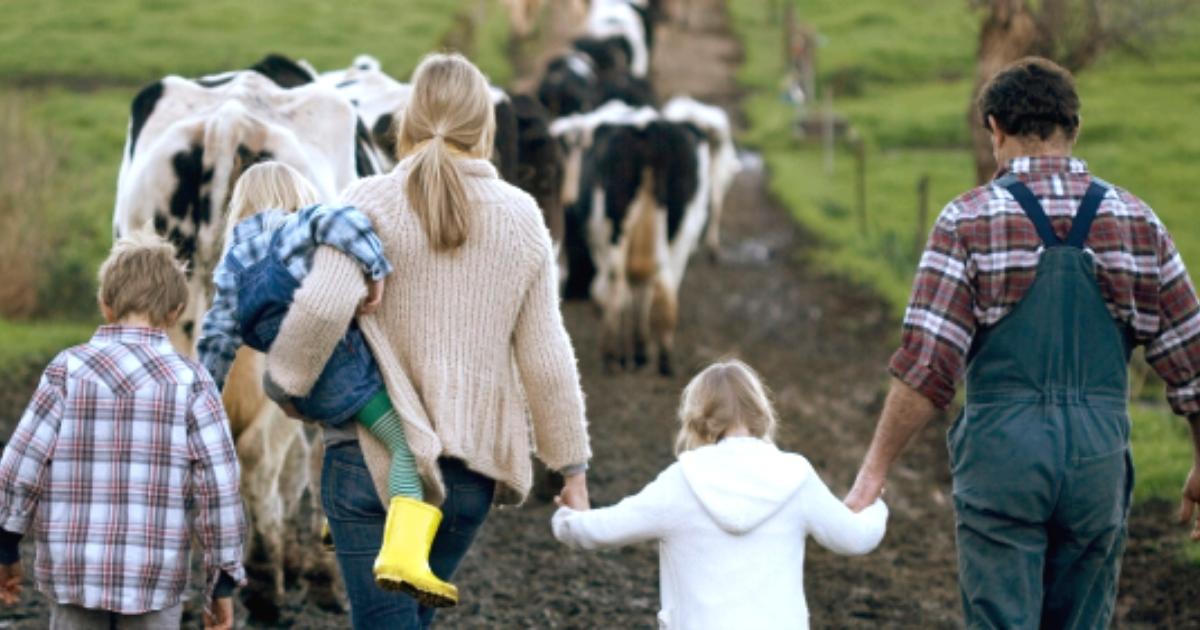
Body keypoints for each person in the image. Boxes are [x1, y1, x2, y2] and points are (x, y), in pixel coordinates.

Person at [844, 57, 1200, 628]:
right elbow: (1192, 363)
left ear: (994, 129)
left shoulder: (966, 221)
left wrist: (874, 471)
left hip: (1002, 460)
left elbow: (926, 369)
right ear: (1074, 128)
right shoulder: (1139, 222)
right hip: (1097, 462)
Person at [261, 52, 592, 629]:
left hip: (367, 465)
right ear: (485, 128)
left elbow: (318, 308)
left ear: (406, 120)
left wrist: (284, 382)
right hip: (469, 479)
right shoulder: (521, 219)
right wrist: (573, 470)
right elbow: (546, 357)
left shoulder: (368, 202)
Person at [195, 161, 459, 605]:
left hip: (297, 384)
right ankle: (405, 557)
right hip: (341, 367)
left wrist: (203, 396)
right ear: (292, 194)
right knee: (404, 445)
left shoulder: (231, 265)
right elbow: (342, 219)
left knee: (349, 437)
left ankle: (336, 521)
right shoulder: (292, 227)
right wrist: (375, 270)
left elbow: (217, 337)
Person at [0, 232, 246, 629]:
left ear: (105, 304)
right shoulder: (193, 382)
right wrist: (221, 583)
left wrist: (7, 547)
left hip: (73, 574)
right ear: (176, 312)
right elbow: (220, 488)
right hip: (155, 580)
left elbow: (18, 466)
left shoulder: (67, 371)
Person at [552, 360, 888, 630]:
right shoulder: (796, 476)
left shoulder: (682, 480)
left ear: (697, 418)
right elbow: (855, 538)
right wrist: (876, 506)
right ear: (761, 411)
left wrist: (569, 518)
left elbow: (602, 529)